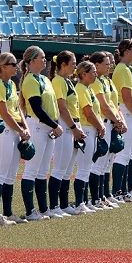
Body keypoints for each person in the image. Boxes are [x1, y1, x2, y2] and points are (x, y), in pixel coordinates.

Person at [20, 46, 62, 220]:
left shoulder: (44, 79)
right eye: (41, 57)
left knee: (43, 170)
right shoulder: (30, 80)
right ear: (31, 61)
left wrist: (54, 124)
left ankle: (44, 209)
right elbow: (37, 108)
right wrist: (54, 125)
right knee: (31, 169)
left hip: (48, 127)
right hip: (38, 125)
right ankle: (30, 211)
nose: (45, 60)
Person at [0, 52, 29, 226]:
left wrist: (24, 126)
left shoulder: (11, 84)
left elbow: (18, 108)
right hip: (4, 130)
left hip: (14, 129)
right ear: (2, 67)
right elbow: (4, 113)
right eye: (12, 64)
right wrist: (20, 129)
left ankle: (8, 212)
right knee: (1, 173)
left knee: (11, 174)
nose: (16, 66)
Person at [49, 51, 84, 217]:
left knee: (67, 168)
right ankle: (54, 205)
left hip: (70, 125)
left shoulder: (66, 81)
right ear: (63, 65)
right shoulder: (58, 81)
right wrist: (73, 127)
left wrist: (76, 126)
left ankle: (63, 204)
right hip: (64, 124)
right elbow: (62, 107)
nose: (75, 66)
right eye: (72, 63)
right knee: (59, 168)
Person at [89, 51, 124, 208]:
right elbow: (103, 106)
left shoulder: (107, 81)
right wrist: (117, 120)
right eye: (106, 63)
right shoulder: (96, 82)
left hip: (110, 123)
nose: (110, 65)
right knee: (98, 163)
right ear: (96, 65)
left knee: (107, 162)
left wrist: (119, 120)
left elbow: (113, 104)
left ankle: (104, 194)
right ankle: (95, 198)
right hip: (102, 123)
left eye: (110, 62)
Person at [112, 40, 132, 199]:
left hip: (130, 111)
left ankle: (122, 190)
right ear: (127, 51)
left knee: (128, 152)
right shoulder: (123, 69)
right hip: (125, 111)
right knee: (123, 153)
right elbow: (126, 96)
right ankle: (118, 191)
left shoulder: (129, 69)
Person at [73, 60, 102, 214]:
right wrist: (100, 126)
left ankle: (83, 201)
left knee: (86, 167)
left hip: (90, 129)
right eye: (93, 72)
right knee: (84, 167)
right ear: (84, 74)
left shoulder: (87, 89)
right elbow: (88, 113)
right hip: (86, 128)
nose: (95, 74)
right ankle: (79, 203)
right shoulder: (81, 89)